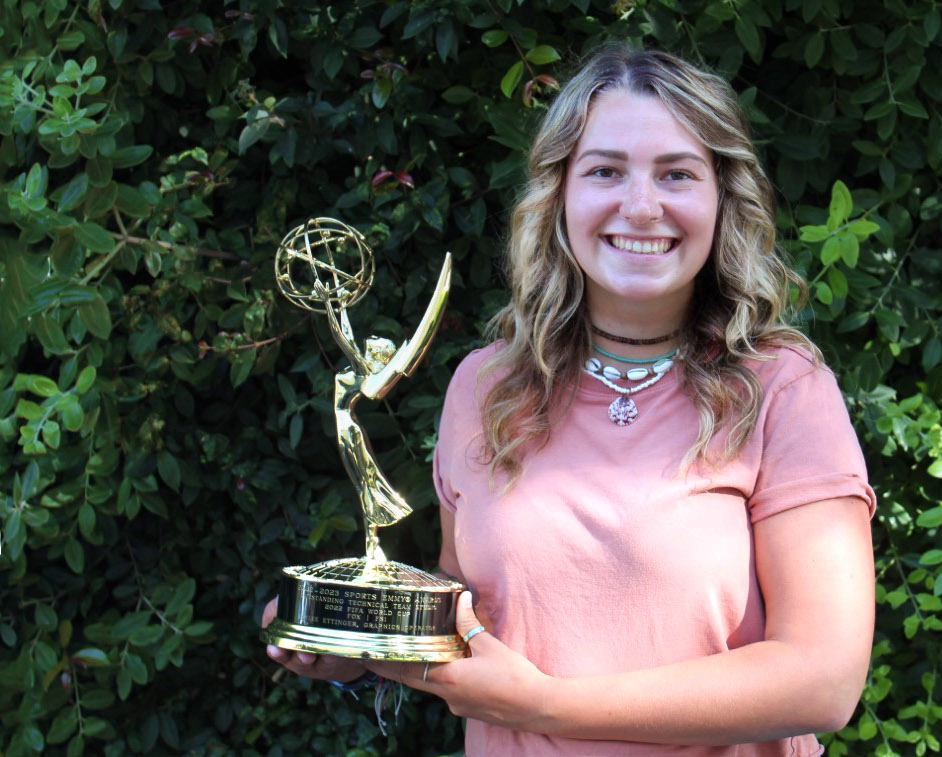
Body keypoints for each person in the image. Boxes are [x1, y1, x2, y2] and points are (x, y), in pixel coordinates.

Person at [264, 46, 876, 756]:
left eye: (676, 173)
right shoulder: (486, 385)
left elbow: (822, 681)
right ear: (558, 196)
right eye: (605, 171)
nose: (641, 206)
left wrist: (545, 704)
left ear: (721, 197)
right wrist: (362, 639)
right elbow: (472, 611)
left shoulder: (782, 390)